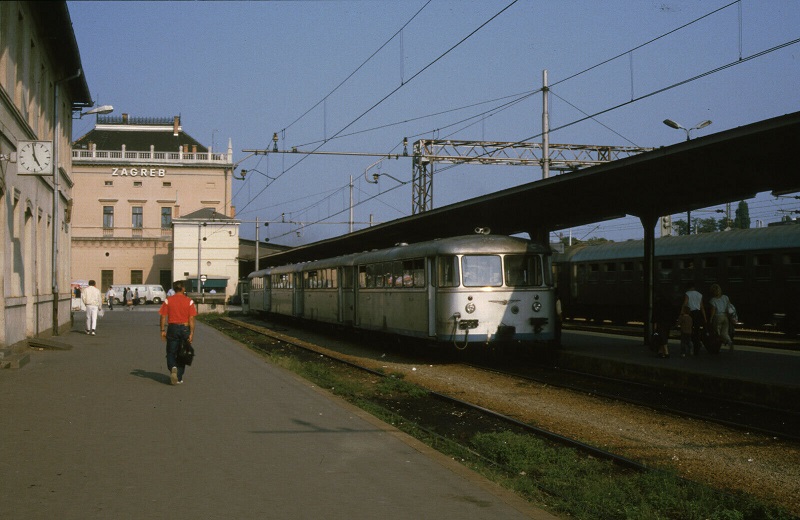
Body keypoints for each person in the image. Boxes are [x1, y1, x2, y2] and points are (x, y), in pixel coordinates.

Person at [159, 280, 197, 385]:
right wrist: (191, 333)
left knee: (171, 352)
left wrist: (162, 330)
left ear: (174, 289)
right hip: (185, 328)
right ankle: (179, 377)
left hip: (172, 328)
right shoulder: (189, 301)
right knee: (182, 352)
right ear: (183, 289)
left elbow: (163, 316)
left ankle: (173, 367)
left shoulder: (168, 300)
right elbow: (191, 319)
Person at [683, 282, 707, 355]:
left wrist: (682, 313)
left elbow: (685, 303)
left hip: (691, 313)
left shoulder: (687, 293)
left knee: (689, 330)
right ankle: (697, 347)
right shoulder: (700, 294)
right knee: (697, 330)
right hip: (698, 313)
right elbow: (702, 307)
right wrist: (705, 318)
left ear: (688, 287)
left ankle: (691, 345)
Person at [708, 283, 732, 351]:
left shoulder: (713, 300)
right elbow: (729, 307)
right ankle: (729, 341)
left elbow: (713, 311)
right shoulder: (726, 297)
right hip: (725, 316)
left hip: (718, 317)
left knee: (717, 333)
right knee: (725, 332)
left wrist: (711, 319)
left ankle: (718, 346)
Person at [652, 292, 673, 358]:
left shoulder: (657, 304)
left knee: (662, 337)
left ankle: (666, 352)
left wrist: (655, 326)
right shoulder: (668, 303)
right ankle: (660, 352)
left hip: (660, 323)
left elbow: (655, 315)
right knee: (664, 337)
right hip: (667, 322)